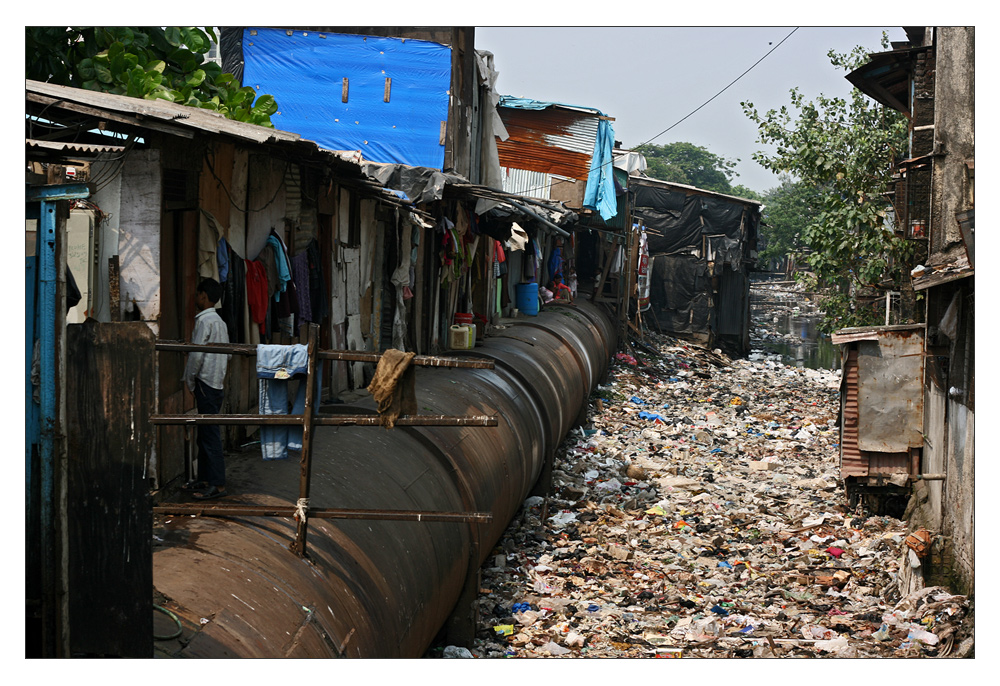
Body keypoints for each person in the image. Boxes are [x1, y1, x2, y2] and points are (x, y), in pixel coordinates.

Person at [182, 278, 231, 500]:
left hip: (205, 383)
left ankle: (217, 484)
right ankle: (204, 478)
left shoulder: (204, 322)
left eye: (198, 294)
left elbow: (196, 355)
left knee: (209, 434)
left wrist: (189, 380)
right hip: (216, 382)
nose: (197, 299)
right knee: (205, 433)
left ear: (203, 295)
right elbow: (228, 353)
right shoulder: (220, 322)